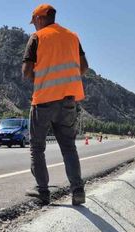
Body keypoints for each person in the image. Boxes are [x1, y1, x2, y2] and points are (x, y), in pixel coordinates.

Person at [22, 4, 89, 206]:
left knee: (37, 148)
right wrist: (67, 80)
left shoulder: (38, 37)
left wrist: (42, 78)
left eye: (34, 22)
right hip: (68, 101)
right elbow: (84, 67)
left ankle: (42, 191)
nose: (34, 26)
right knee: (68, 147)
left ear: (41, 18)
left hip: (43, 101)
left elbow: (26, 72)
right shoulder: (72, 36)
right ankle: (77, 190)